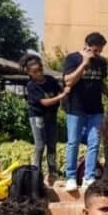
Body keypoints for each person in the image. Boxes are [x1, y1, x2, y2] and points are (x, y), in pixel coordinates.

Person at [62, 32, 108, 191]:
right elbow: (69, 80)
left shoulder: (101, 62)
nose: (98, 54)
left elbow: (100, 83)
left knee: (94, 143)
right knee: (73, 142)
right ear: (87, 46)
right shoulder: (72, 58)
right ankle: (70, 176)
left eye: (100, 51)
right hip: (76, 108)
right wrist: (84, 63)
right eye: (95, 50)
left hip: (95, 109)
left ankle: (89, 177)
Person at [24, 56, 69, 184]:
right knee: (40, 145)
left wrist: (65, 93)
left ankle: (52, 172)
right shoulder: (31, 86)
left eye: (40, 69)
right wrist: (61, 96)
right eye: (35, 71)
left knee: (52, 145)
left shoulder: (50, 80)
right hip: (38, 116)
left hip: (51, 116)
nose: (39, 73)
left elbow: (62, 89)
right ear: (29, 73)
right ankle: (36, 173)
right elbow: (44, 102)